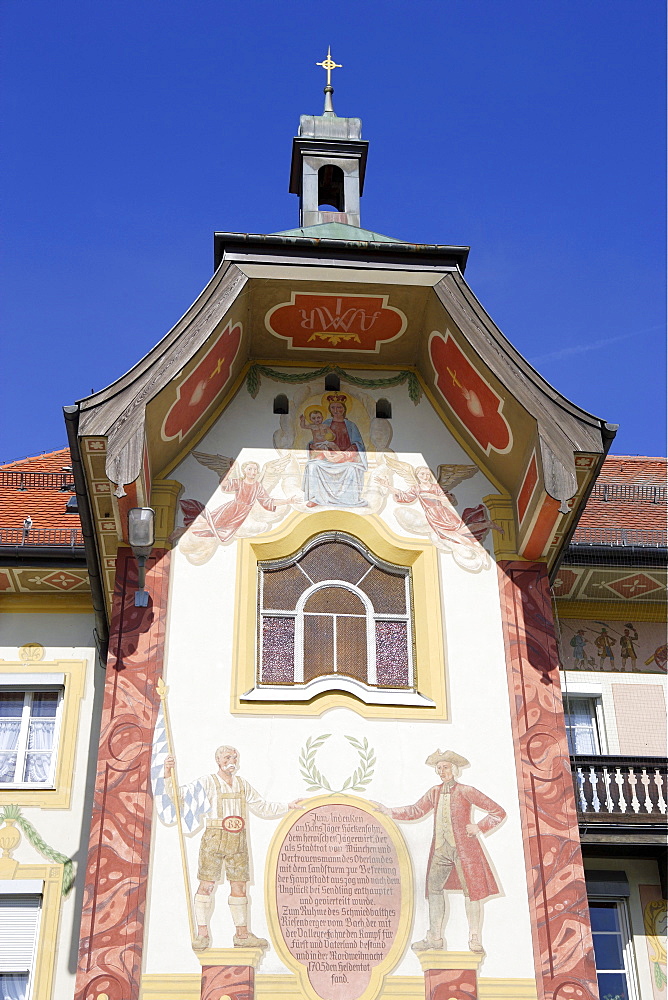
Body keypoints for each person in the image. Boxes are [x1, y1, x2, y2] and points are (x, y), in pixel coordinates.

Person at [163, 745, 303, 951]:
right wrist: (167, 772)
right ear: (218, 760)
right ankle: (202, 934)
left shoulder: (242, 784)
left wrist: (287, 806)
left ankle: (242, 935)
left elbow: (261, 806)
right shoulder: (207, 782)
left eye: (235, 757)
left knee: (239, 886)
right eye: (228, 757)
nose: (232, 761)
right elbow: (179, 795)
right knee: (207, 885)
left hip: (238, 839)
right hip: (214, 838)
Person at [372, 750, 505, 954]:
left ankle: (474, 937)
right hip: (441, 850)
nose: (442, 771)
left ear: (455, 770)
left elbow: (498, 811)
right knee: (433, 890)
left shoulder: (467, 791)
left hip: (464, 851)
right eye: (439, 768)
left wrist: (479, 827)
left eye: (446, 767)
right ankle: (435, 937)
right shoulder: (434, 792)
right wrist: (389, 811)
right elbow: (416, 810)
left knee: (472, 893)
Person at [302, 394, 368, 507]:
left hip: (346, 458)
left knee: (351, 469)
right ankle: (315, 498)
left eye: (339, 407)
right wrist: (315, 447)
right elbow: (316, 440)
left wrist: (343, 455)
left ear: (345, 409)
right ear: (329, 409)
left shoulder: (351, 425)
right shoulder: (325, 423)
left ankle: (349, 499)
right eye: (333, 407)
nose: (336, 410)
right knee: (312, 466)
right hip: (327, 457)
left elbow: (358, 444)